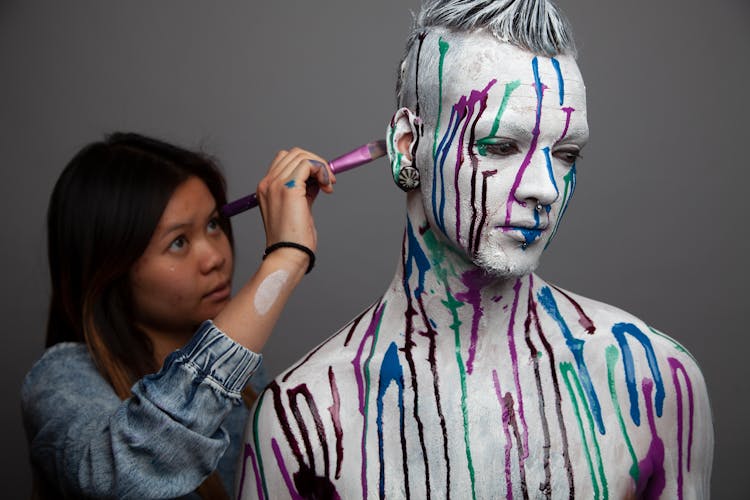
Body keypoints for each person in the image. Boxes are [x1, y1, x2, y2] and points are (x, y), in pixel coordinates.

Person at [239, 0, 714, 498]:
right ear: (406, 146)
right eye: (499, 146)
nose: (546, 188)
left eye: (566, 154)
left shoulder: (654, 381)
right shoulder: (305, 417)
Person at [21, 132, 335, 498]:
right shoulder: (60, 379)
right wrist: (286, 257)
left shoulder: (244, 376)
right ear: (111, 268)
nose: (214, 257)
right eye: (178, 242)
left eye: (214, 224)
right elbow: (127, 475)